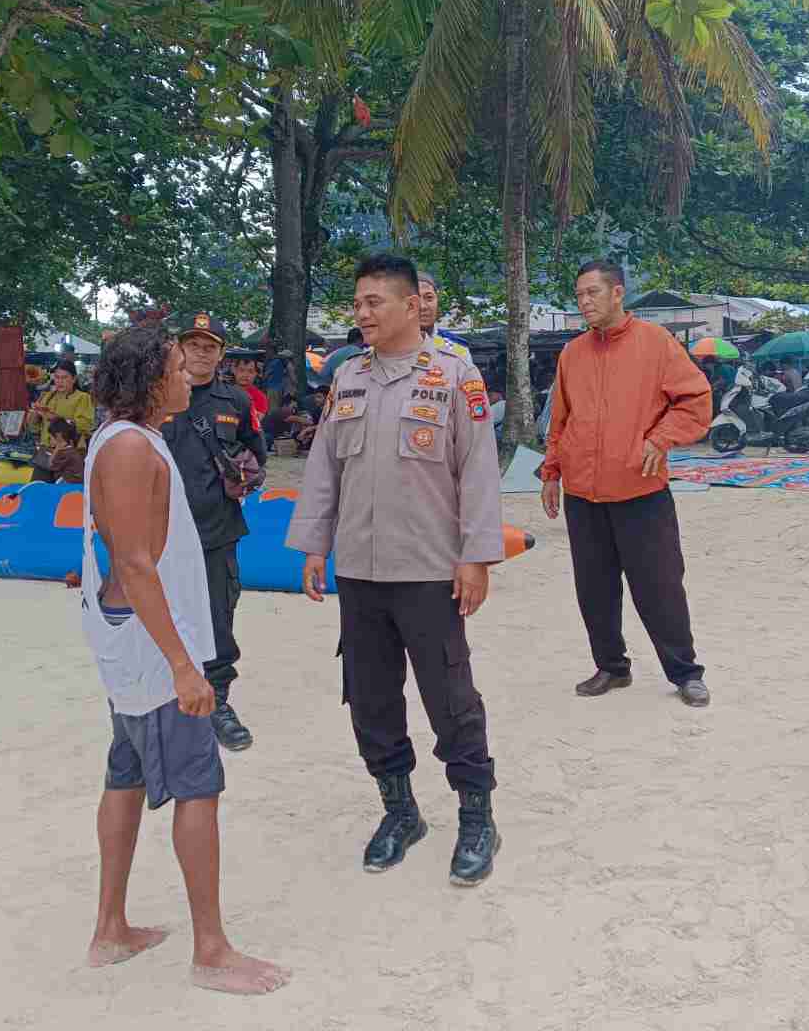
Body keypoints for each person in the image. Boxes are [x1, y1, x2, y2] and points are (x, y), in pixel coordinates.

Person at [79, 328, 289, 993]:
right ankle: (211, 952)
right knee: (198, 786)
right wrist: (181, 664)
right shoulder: (131, 447)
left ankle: (111, 929)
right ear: (149, 380)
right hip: (150, 645)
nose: (187, 375)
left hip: (131, 636)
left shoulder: (126, 438)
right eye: (175, 366)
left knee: (126, 773)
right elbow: (135, 562)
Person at [287, 253, 505, 887]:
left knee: (450, 698)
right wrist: (314, 545)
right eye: (357, 303)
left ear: (412, 306)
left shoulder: (455, 375)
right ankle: (400, 811)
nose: (362, 313)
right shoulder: (347, 377)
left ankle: (476, 816)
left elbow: (479, 473)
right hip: (360, 569)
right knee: (370, 698)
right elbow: (325, 467)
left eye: (373, 302)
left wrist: (475, 557)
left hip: (429, 568)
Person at [540, 260, 714, 707]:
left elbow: (695, 400)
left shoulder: (656, 343)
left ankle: (686, 672)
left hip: (642, 491)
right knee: (594, 587)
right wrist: (552, 472)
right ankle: (612, 667)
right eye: (579, 295)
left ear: (618, 292)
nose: (584, 302)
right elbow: (561, 419)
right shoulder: (572, 353)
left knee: (660, 586)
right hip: (584, 494)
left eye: (593, 293)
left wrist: (660, 438)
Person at [161, 313, 268, 752]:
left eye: (210, 347)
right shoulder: (157, 395)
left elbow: (257, 453)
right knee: (160, 614)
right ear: (179, 348)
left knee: (218, 618)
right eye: (194, 344)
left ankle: (218, 701)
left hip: (216, 530)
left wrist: (246, 474)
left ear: (222, 354)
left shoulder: (236, 401)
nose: (202, 353)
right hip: (161, 533)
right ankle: (165, 701)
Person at [30, 360, 96, 448]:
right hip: (45, 448)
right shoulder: (47, 396)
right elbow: (34, 428)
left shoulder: (82, 397)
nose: (60, 381)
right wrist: (36, 414)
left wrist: (56, 418)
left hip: (68, 451)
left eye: (64, 377)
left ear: (74, 379)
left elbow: (85, 426)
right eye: (57, 377)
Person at [416, 271, 473, 362]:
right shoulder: (392, 345)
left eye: (429, 298)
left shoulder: (457, 349)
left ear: (437, 301)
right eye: (416, 299)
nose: (423, 306)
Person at [229, 354, 269, 432]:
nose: (245, 375)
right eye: (241, 370)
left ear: (256, 374)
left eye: (250, 371)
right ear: (234, 370)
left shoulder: (260, 397)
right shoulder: (224, 391)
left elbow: (254, 422)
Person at [46, 418, 87, 485]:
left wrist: (57, 449)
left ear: (58, 436)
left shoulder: (64, 453)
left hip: (69, 485)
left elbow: (50, 465)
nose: (49, 441)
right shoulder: (71, 450)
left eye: (50, 438)